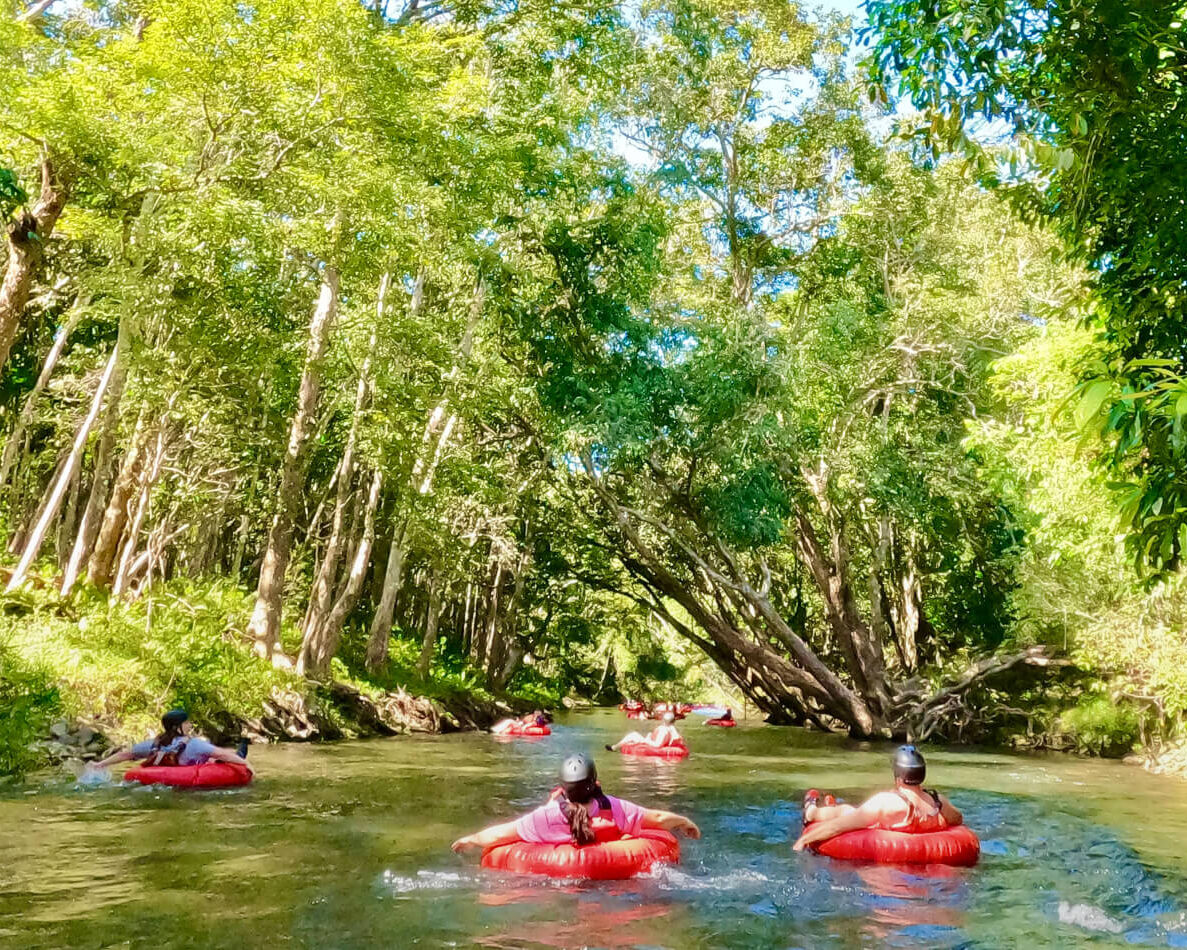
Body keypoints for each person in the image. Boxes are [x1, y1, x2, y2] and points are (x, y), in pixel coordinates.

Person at [450, 753, 700, 853]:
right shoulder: (613, 809)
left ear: (562, 788)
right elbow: (656, 819)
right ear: (595, 783)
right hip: (617, 887)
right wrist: (684, 822)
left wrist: (471, 839)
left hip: (558, 887)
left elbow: (500, 835)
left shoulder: (545, 817)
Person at [792, 745, 962, 852]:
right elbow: (957, 820)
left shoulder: (887, 803)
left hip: (883, 842)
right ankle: (815, 811)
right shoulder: (938, 802)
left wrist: (805, 839)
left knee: (846, 811)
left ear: (898, 777)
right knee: (850, 811)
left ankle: (812, 812)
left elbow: (838, 827)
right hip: (914, 866)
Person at [87, 709, 252, 775]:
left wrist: (100, 765)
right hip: (190, 781)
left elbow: (126, 754)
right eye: (187, 723)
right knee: (232, 755)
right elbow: (222, 754)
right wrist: (245, 764)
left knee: (211, 758)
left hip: (163, 778)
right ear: (178, 726)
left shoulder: (155, 744)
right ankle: (243, 746)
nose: (190, 725)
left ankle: (242, 747)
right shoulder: (195, 744)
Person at [607, 710, 682, 751]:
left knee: (633, 735)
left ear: (663, 720)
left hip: (653, 745)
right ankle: (615, 747)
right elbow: (677, 739)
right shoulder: (672, 729)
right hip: (658, 743)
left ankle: (614, 747)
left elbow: (657, 745)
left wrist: (646, 740)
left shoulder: (663, 730)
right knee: (643, 735)